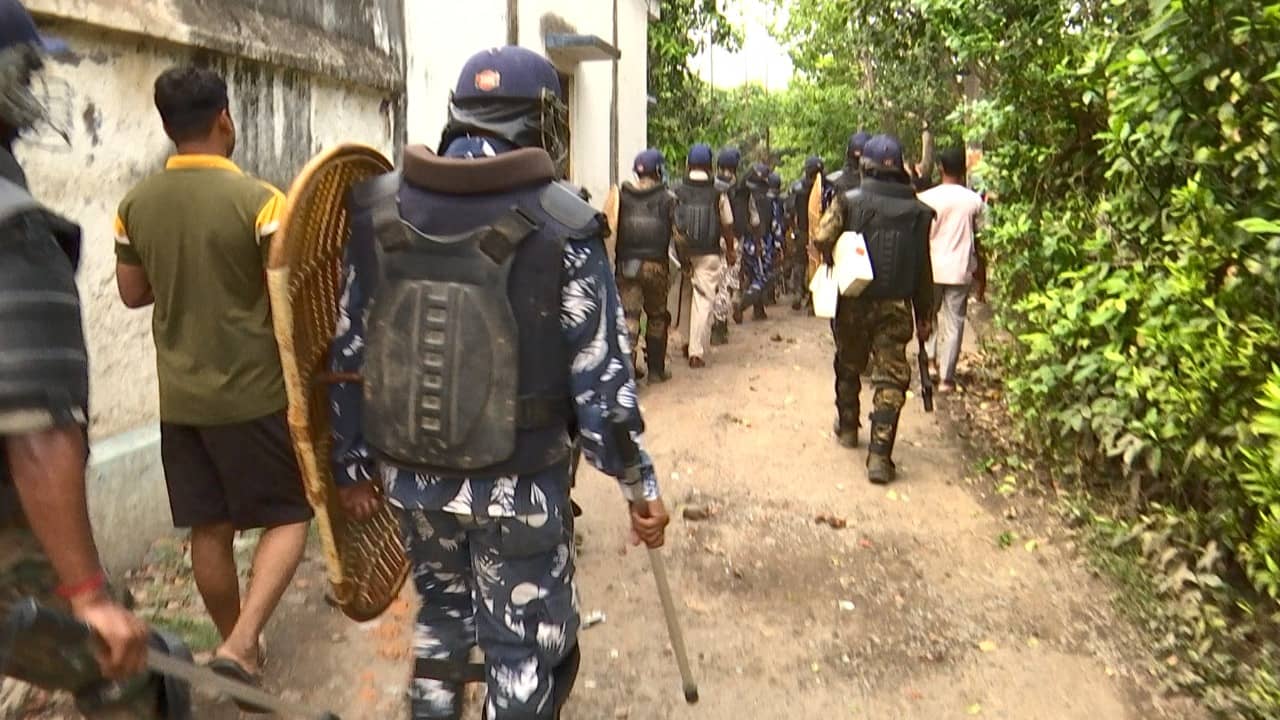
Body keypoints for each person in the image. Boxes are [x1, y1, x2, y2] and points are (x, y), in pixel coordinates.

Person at [325, 46, 669, 720]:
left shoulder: (376, 210)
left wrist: (348, 463)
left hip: (411, 476)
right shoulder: (565, 223)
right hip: (521, 482)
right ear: (543, 122)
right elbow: (603, 383)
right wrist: (639, 487)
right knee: (521, 647)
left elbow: (349, 350)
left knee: (443, 623)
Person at [113, 65, 312, 692]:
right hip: (250, 393)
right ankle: (243, 640)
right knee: (289, 514)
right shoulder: (262, 202)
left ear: (167, 125)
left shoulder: (134, 205)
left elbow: (130, 293)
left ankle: (239, 653)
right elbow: (285, 297)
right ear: (225, 118)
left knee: (210, 526)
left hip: (180, 400)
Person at [0, 2, 174, 715]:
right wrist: (90, 596)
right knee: (127, 674)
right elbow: (36, 425)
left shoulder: (143, 201)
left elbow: (131, 293)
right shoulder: (13, 228)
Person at [813, 135, 935, 484]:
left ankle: (849, 426)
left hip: (854, 299)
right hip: (897, 304)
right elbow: (924, 269)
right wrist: (924, 315)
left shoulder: (848, 201)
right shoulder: (918, 211)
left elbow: (822, 237)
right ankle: (880, 457)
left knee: (848, 362)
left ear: (863, 166)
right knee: (891, 378)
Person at [604, 148, 682, 383]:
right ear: (658, 171)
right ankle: (656, 371)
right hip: (656, 267)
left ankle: (627, 371)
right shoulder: (669, 199)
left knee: (629, 317)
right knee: (657, 316)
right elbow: (679, 236)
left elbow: (608, 228)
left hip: (627, 267)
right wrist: (684, 262)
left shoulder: (620, 196)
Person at [919, 148, 987, 392]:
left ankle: (930, 361)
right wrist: (982, 273)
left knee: (930, 315)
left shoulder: (926, 198)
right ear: (964, 170)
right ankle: (947, 379)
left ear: (940, 169)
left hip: (931, 268)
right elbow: (983, 237)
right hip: (960, 269)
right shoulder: (973, 201)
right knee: (954, 321)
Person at [674, 143, 738, 369]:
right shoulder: (718, 191)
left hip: (682, 252)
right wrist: (730, 250)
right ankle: (696, 350)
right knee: (703, 298)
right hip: (709, 252)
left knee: (685, 294)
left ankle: (684, 341)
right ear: (710, 166)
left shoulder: (676, 190)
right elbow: (727, 224)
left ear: (689, 164)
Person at [712, 147, 757, 343]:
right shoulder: (743, 190)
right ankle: (719, 326)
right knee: (726, 284)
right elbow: (754, 218)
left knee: (711, 284)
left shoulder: (710, 187)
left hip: (710, 241)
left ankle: (707, 326)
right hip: (733, 241)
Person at [734, 163, 775, 322]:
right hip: (757, 240)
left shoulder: (741, 194)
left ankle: (758, 309)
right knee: (761, 277)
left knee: (751, 275)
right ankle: (742, 304)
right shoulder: (764, 198)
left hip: (743, 241)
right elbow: (763, 223)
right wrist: (760, 244)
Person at [788, 155, 823, 311]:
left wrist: (791, 229)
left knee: (800, 262)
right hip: (819, 231)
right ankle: (812, 298)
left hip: (802, 230)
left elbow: (789, 211)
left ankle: (797, 292)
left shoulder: (797, 188)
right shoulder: (824, 188)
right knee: (817, 263)